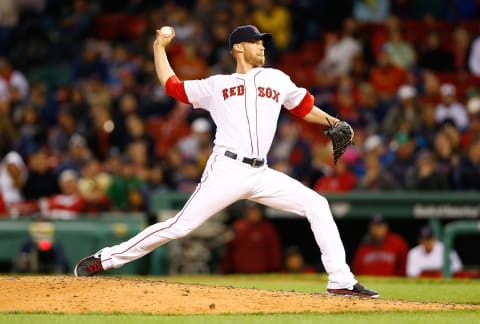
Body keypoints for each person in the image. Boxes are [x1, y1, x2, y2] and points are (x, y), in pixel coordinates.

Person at [74, 25, 379, 298]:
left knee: (317, 205)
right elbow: (173, 86)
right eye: (256, 42)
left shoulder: (277, 78)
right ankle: (105, 259)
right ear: (238, 47)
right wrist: (159, 48)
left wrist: (335, 121)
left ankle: (341, 280)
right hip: (227, 170)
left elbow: (302, 107)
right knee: (180, 226)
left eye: (263, 42)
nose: (262, 46)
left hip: (262, 172)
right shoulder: (216, 85)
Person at [221, 202, 282, 274]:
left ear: (261, 212)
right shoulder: (238, 227)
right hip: (240, 271)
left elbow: (274, 250)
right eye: (251, 211)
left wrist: (275, 268)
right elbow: (229, 249)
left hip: (263, 272)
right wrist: (226, 268)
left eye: (256, 211)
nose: (254, 214)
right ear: (246, 212)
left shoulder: (268, 229)